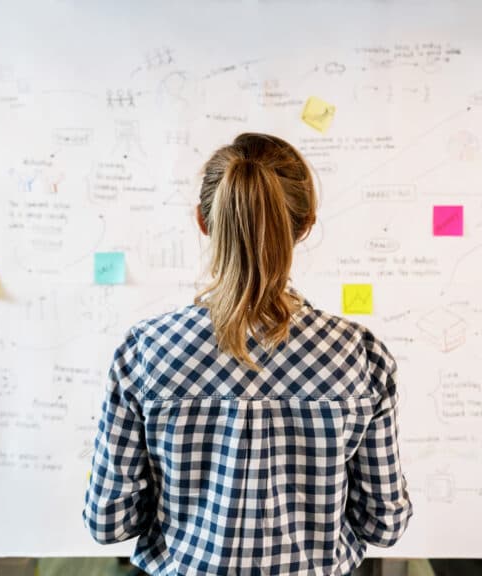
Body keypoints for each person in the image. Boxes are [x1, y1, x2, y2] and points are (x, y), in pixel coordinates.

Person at [84, 133, 412, 575]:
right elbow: (385, 524)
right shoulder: (359, 354)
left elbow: (109, 521)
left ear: (203, 220)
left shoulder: (145, 350)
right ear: (306, 224)